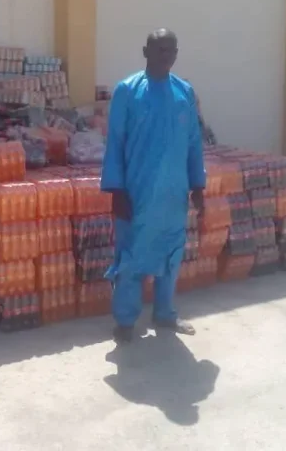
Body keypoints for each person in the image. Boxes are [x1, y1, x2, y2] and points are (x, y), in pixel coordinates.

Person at [101, 29, 206, 343]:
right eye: (160, 49)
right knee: (132, 257)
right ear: (146, 51)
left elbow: (193, 142)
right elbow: (115, 144)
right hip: (138, 193)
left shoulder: (184, 92)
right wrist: (117, 190)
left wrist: (198, 185)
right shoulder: (127, 91)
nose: (167, 55)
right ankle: (125, 320)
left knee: (171, 255)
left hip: (173, 194)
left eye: (172, 50)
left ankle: (164, 314)